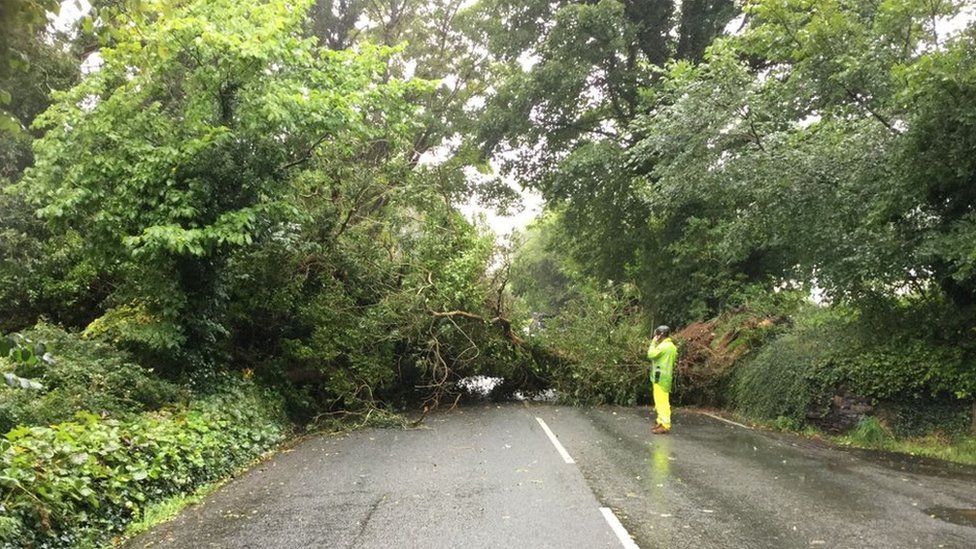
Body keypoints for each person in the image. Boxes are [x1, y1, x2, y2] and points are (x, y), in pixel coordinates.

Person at [647, 325, 677, 434]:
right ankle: (660, 421)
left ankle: (665, 424)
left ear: (661, 335)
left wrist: (653, 343)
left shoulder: (664, 346)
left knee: (662, 402)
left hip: (661, 378)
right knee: (659, 401)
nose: (655, 336)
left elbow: (650, 354)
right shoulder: (672, 346)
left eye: (657, 334)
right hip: (664, 377)